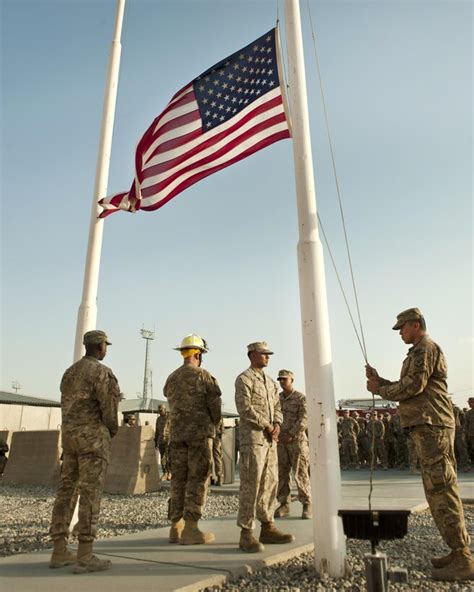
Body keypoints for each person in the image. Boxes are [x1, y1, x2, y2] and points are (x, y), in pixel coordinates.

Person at [365, 308, 474, 581]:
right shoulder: (418, 351)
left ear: (415, 325)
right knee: (437, 489)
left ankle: (463, 556)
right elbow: (410, 385)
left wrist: (380, 390)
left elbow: (414, 386)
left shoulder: (425, 348)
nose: (400, 332)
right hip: (428, 425)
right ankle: (457, 550)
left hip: (432, 425)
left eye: (402, 327)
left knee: (442, 488)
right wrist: (383, 383)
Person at [49, 330, 120, 574]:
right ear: (100, 346)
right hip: (92, 442)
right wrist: (112, 430)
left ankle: (59, 550)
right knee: (90, 494)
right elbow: (109, 411)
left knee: (66, 490)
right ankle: (85, 554)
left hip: (70, 440)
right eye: (105, 345)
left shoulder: (69, 373)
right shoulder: (102, 373)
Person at [235, 342, 294, 553]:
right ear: (252, 355)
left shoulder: (270, 383)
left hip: (270, 441)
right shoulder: (244, 379)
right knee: (252, 484)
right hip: (254, 440)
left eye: (269, 354)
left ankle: (267, 526)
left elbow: (277, 407)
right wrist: (267, 425)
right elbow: (245, 408)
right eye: (264, 354)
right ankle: (246, 532)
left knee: (271, 482)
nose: (268, 357)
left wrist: (277, 424)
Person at [164, 334, 222, 545]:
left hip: (177, 436)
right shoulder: (204, 376)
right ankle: (191, 529)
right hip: (199, 436)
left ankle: (175, 526)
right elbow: (215, 408)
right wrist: (213, 425)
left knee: (179, 480)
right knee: (198, 479)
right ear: (198, 354)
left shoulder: (172, 378)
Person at [274, 369, 312, 519]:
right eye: (280, 379)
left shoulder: (301, 398)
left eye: (285, 379)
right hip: (281, 442)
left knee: (300, 473)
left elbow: (305, 418)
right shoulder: (276, 399)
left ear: (292, 380)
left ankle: (307, 504)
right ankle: (284, 504)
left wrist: (291, 434)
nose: (282, 382)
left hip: (297, 442)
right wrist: (279, 434)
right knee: (282, 474)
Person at [154, 404, 171, 480]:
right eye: (159, 411)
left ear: (165, 409)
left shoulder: (169, 418)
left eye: (161, 410)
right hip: (161, 441)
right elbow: (157, 431)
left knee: (168, 457)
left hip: (169, 440)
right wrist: (155, 441)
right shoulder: (158, 419)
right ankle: (165, 473)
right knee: (162, 458)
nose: (160, 412)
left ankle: (169, 472)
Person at [211, 418, 224, 486]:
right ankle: (220, 478)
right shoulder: (219, 416)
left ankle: (217, 478)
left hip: (210, 437)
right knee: (217, 459)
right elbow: (222, 431)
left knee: (207, 458)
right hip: (217, 438)